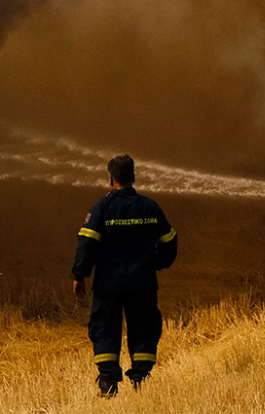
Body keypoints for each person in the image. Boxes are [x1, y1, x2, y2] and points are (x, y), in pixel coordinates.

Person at [72, 154, 178, 397]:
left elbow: (87, 243)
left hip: (109, 284)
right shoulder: (150, 207)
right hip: (142, 283)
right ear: (134, 177)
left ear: (111, 179)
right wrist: (158, 263)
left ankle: (108, 382)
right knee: (144, 329)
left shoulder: (102, 207)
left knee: (105, 328)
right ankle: (141, 379)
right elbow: (170, 240)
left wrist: (80, 274)